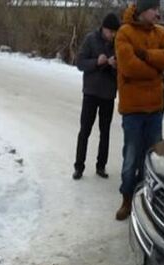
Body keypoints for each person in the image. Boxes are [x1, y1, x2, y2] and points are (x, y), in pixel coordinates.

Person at [114, 0, 164, 221]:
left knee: (154, 157)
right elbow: (129, 67)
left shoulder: (160, 32)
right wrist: (156, 71)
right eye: (154, 9)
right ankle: (127, 199)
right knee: (131, 156)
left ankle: (149, 198)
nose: (157, 13)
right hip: (133, 109)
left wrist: (147, 56)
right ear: (142, 11)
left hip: (155, 109)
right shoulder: (124, 33)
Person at [73, 12, 121, 180]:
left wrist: (115, 66)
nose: (113, 35)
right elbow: (79, 63)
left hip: (108, 94)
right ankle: (79, 166)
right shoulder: (90, 39)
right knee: (85, 130)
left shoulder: (118, 43)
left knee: (105, 132)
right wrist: (97, 62)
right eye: (111, 32)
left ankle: (101, 165)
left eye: (115, 32)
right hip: (91, 92)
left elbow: (122, 70)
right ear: (104, 29)